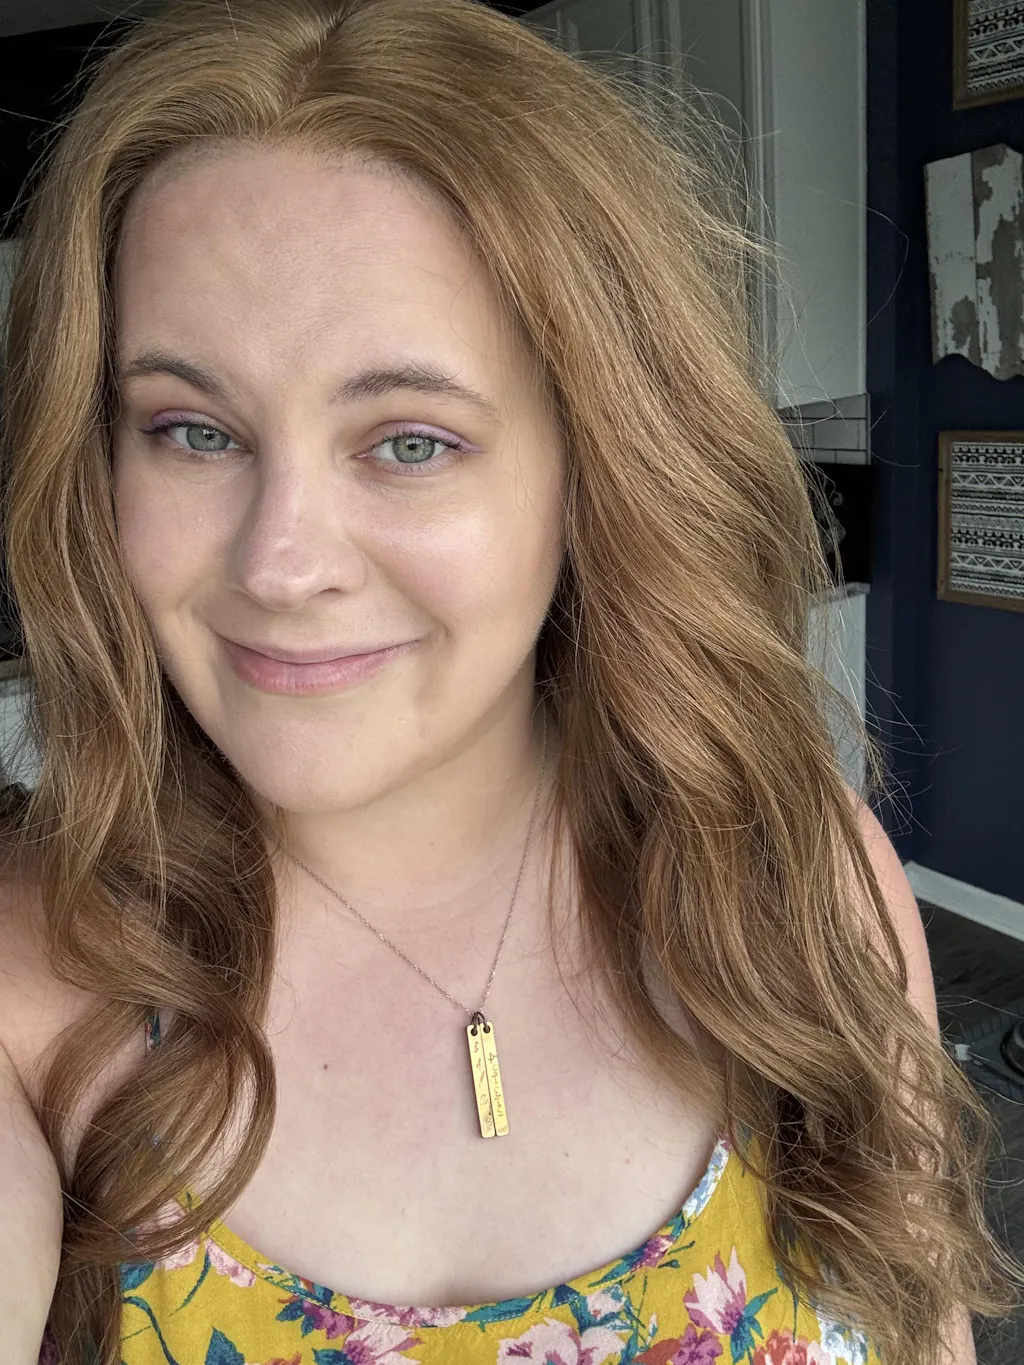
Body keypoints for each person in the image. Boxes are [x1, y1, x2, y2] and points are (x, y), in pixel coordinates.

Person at [0, 1, 1018, 1362]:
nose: (281, 563)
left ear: (591, 467)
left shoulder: (796, 883)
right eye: (191, 430)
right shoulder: (35, 990)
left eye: (410, 441)